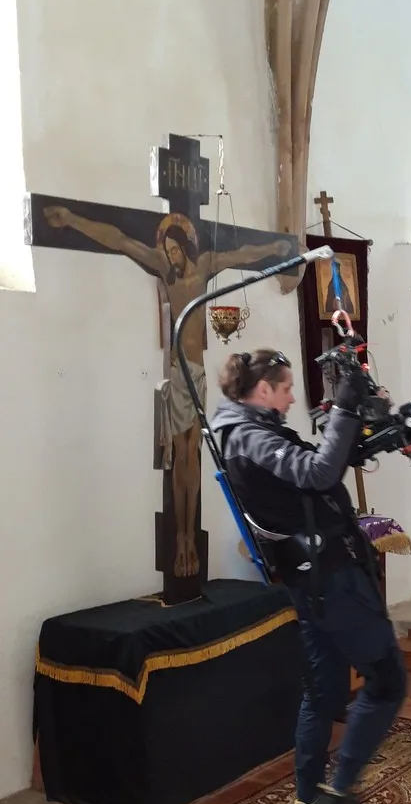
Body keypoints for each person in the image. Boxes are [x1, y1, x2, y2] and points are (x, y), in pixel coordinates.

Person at [211, 349, 408, 804]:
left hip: (317, 576)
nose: (290, 397)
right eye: (285, 389)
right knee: (387, 680)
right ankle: (337, 799)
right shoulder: (248, 437)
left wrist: (363, 424)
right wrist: (343, 409)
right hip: (328, 578)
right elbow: (317, 473)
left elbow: (316, 470)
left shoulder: (254, 429)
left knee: (324, 693)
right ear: (263, 390)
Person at [43, 203, 293, 579]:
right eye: (168, 250)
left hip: (199, 375)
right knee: (181, 457)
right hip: (179, 374)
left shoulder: (205, 265)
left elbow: (241, 254)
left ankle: (189, 535)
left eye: (175, 249)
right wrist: (73, 219)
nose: (172, 256)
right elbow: (119, 240)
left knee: (194, 453)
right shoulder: (163, 269)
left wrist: (274, 248)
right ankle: (183, 538)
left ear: (186, 247)